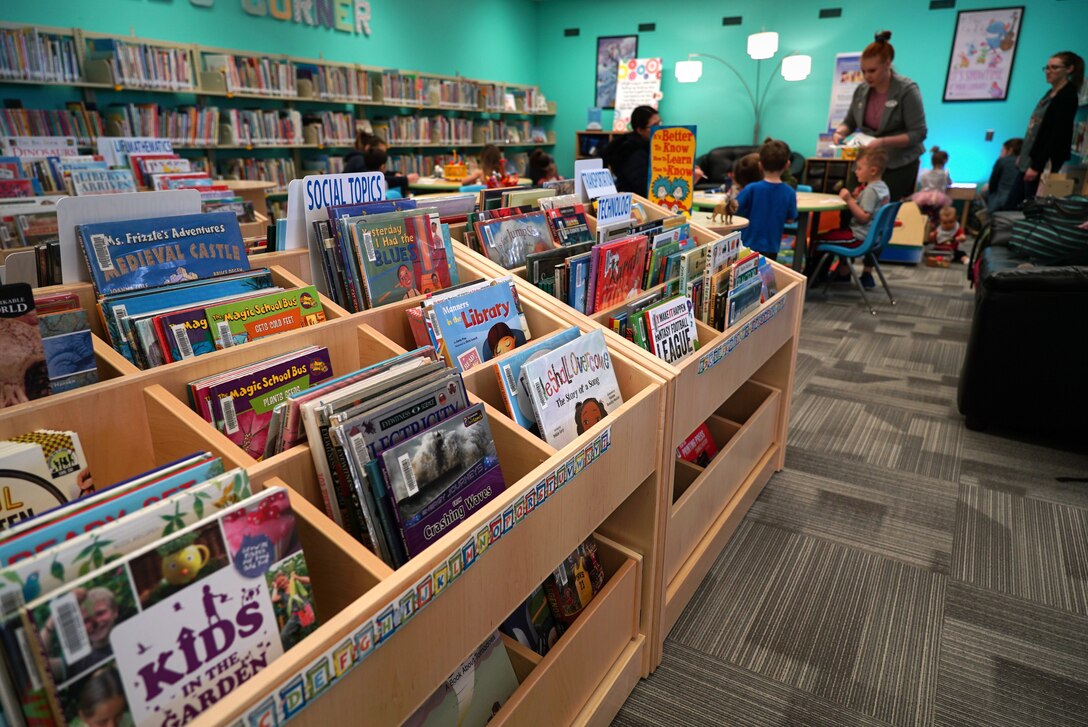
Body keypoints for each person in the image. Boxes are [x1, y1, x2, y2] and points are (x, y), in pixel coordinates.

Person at [831, 31, 927, 202]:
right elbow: (850, 122)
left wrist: (882, 142)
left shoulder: (906, 90)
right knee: (850, 203)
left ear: (887, 64)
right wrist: (840, 132)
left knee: (879, 209)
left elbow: (918, 133)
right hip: (867, 161)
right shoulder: (861, 91)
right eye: (863, 71)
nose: (867, 76)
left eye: (872, 71)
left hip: (898, 163)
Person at [1009, 51, 1083, 207]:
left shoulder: (1067, 95)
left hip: (1042, 162)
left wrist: (1036, 165)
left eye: (1054, 67)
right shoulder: (1051, 92)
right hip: (1030, 158)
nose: (1049, 72)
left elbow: (1055, 134)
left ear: (1068, 69)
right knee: (1012, 205)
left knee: (1027, 207)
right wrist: (1023, 154)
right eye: (1047, 68)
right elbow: (1036, 128)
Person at [817, 146, 891, 288]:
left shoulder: (871, 190)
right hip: (874, 238)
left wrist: (849, 199)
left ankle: (814, 279)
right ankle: (841, 274)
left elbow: (864, 217)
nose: (856, 171)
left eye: (859, 168)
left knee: (819, 239)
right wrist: (858, 198)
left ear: (873, 170)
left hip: (859, 237)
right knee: (834, 235)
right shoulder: (883, 188)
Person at [736, 139, 798, 262]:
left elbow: (735, 209)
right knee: (766, 277)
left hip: (746, 245)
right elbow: (791, 219)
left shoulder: (751, 188)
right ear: (787, 165)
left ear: (760, 165)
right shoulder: (790, 192)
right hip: (772, 247)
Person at [602, 105, 659, 195]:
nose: (659, 128)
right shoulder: (632, 152)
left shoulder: (647, 145)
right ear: (640, 130)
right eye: (654, 126)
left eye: (659, 123)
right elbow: (643, 188)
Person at [912, 146, 953, 227]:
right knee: (937, 217)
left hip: (923, 197)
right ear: (945, 161)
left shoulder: (924, 172)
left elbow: (922, 183)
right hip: (938, 198)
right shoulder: (944, 173)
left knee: (924, 216)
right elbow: (950, 183)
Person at [983, 138, 1023, 213]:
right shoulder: (1026, 163)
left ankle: (988, 217)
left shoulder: (1002, 161)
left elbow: (993, 184)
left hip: (1001, 201)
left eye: (1002, 150)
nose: (1000, 153)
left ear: (1010, 150)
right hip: (1020, 202)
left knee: (984, 191)